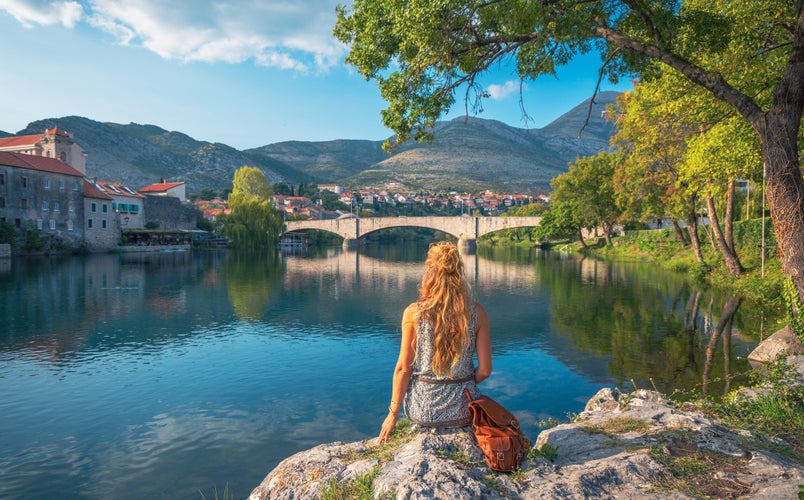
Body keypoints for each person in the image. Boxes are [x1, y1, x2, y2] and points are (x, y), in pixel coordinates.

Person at [378, 241, 492, 444]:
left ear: (429, 272)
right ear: (458, 273)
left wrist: (392, 414)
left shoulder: (414, 312)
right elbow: (484, 371)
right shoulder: (477, 312)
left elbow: (404, 368)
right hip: (463, 409)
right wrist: (462, 384)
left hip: (422, 410)